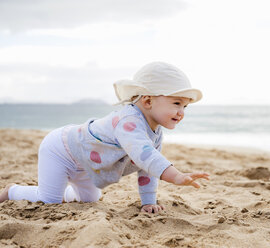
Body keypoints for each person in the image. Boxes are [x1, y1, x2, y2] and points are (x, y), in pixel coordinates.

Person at [0, 61, 209, 213]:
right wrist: (176, 176)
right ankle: (12, 191)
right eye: (176, 103)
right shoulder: (129, 121)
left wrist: (148, 202)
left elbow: (147, 168)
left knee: (90, 200)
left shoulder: (155, 134)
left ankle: (62, 188)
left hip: (86, 165)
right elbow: (147, 157)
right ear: (147, 101)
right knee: (49, 201)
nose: (182, 111)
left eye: (185, 106)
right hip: (61, 150)